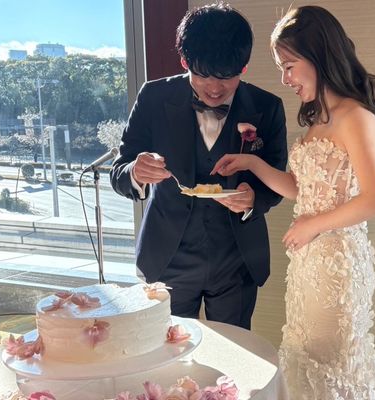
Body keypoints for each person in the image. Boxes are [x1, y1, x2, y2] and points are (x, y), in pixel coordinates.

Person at [212, 5, 375, 399]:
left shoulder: (355, 115)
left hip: (336, 266)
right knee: (304, 361)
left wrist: (313, 225)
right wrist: (253, 163)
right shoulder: (319, 116)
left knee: (331, 368)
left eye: (289, 66)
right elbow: (299, 188)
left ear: (318, 56)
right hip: (307, 263)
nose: (285, 78)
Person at [110, 2, 288, 330]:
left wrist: (254, 198)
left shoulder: (268, 107)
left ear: (244, 67)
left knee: (234, 350)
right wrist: (135, 172)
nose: (215, 88)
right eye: (203, 75)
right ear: (184, 61)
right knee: (169, 349)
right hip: (168, 260)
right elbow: (119, 171)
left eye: (227, 77)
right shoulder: (153, 97)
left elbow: (277, 179)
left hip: (236, 261)